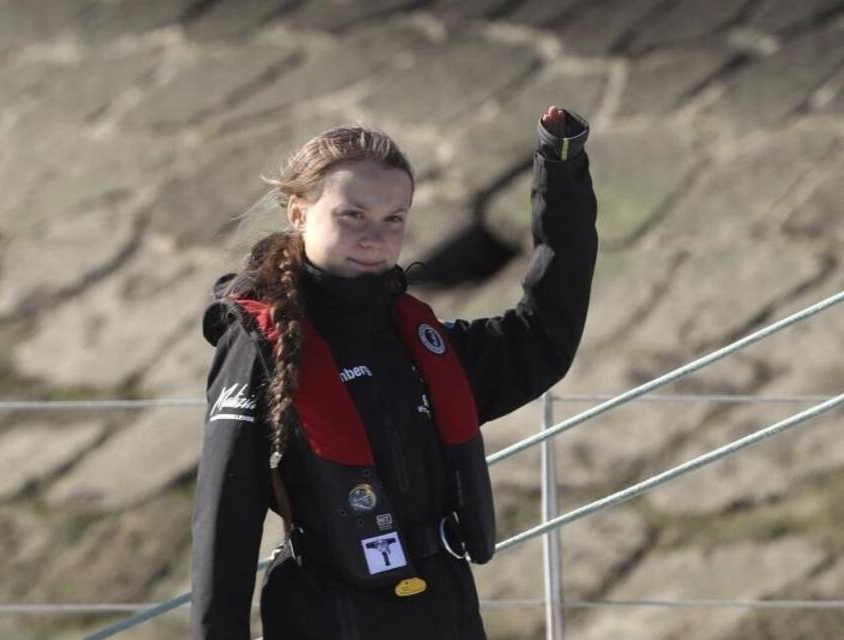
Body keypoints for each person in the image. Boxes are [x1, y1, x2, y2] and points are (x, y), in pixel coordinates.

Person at [191, 106, 597, 640]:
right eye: (352, 215)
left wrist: (561, 171)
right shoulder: (259, 347)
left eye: (393, 219)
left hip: (446, 612)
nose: (374, 237)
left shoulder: (425, 345)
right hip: (327, 619)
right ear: (297, 212)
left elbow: (544, 336)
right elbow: (225, 534)